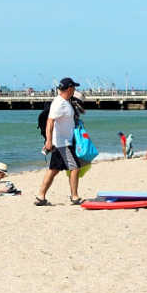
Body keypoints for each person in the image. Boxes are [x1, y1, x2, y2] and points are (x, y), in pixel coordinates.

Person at [35, 77, 81, 206]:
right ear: (69, 88)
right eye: (74, 88)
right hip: (62, 143)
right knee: (75, 167)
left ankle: (41, 196)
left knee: (53, 170)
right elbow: (50, 121)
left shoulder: (66, 101)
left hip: (64, 141)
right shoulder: (59, 103)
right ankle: (75, 196)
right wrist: (49, 141)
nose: (75, 90)